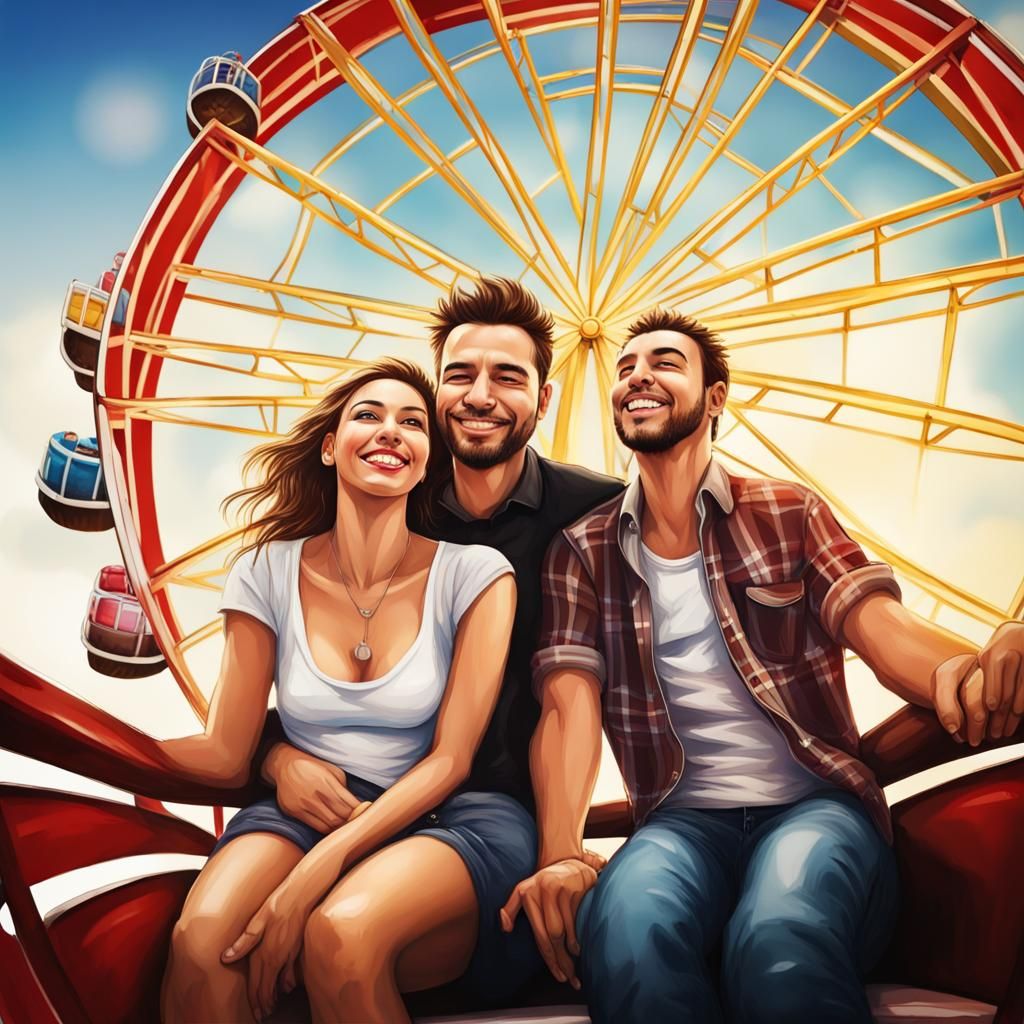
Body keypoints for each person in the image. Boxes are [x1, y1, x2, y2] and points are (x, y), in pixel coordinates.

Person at [505, 308, 1024, 1023]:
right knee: (625, 932)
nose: (636, 378)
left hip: (815, 806)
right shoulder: (581, 551)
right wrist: (562, 852)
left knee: (780, 934)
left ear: (716, 398)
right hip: (679, 824)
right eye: (625, 370)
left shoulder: (789, 511)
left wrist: (980, 665)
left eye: (664, 363)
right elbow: (570, 706)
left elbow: (880, 630)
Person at [259, 277, 624, 1004]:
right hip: (356, 800)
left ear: (543, 401)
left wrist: (562, 849)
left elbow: (584, 692)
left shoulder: (601, 513)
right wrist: (276, 755)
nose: (479, 395)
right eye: (459, 375)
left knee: (342, 938)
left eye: (507, 377)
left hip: (490, 814)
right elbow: (307, 678)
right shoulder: (392, 500)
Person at [159, 358, 525, 1024]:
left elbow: (452, 759)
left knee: (339, 936)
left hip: (445, 815)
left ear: (425, 463)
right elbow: (224, 752)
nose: (391, 432)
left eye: (413, 423)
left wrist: (315, 872)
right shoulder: (265, 572)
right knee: (203, 944)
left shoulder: (475, 574)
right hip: (303, 811)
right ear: (329, 446)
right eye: (368, 415)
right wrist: (72, 732)